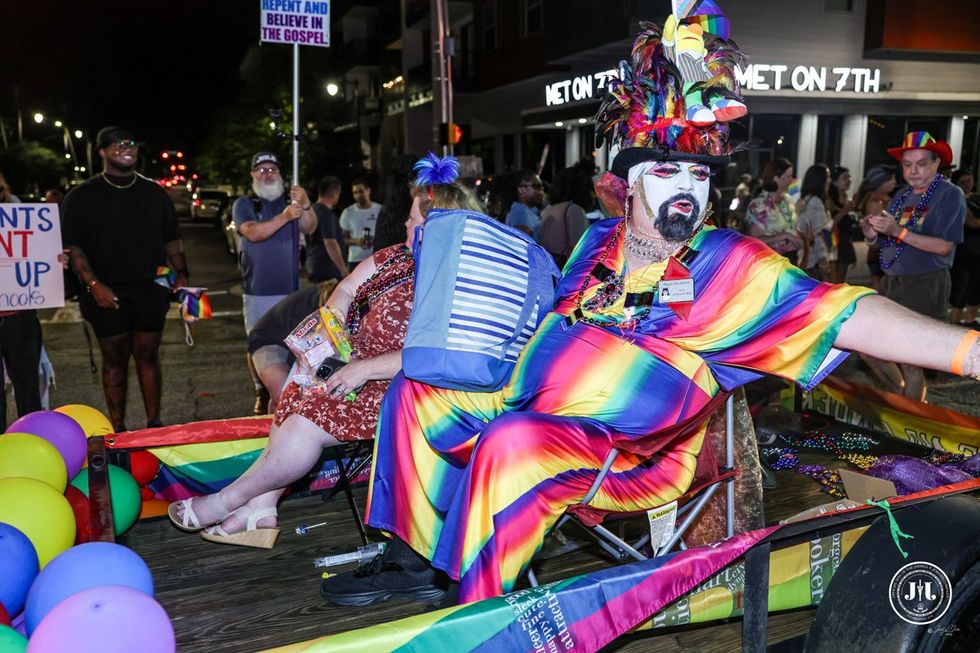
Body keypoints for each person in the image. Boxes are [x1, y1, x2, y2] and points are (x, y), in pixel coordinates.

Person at [319, 9, 980, 609]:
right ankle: (414, 556)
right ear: (626, 185)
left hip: (632, 452)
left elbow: (849, 311)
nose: (687, 190)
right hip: (529, 402)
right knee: (415, 392)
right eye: (666, 173)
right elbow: (549, 319)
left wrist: (969, 351)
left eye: (697, 176)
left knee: (511, 445)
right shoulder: (596, 241)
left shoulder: (726, 263)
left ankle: (475, 613)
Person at [167, 154, 482, 547]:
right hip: (351, 364)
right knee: (302, 381)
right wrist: (332, 327)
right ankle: (260, 508)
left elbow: (438, 352)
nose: (404, 223)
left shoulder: (455, 279)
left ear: (440, 228)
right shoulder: (395, 256)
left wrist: (361, 367)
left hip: (400, 386)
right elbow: (346, 288)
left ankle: (231, 500)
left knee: (306, 415)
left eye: (414, 220)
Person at [61, 127, 186, 431]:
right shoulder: (81, 196)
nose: (126, 148)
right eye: (116, 145)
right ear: (102, 152)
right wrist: (93, 285)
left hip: (150, 290)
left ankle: (154, 424)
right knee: (115, 361)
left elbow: (172, 239)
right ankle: (118, 430)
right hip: (105, 291)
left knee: (149, 356)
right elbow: (73, 246)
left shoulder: (154, 192)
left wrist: (181, 274)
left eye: (130, 143)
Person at [861, 131, 967, 401]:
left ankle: (909, 413)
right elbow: (883, 242)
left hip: (925, 282)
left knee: (909, 357)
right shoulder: (902, 196)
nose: (913, 171)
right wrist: (872, 232)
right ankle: (904, 403)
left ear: (936, 164)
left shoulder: (949, 195)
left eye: (921, 164)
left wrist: (898, 231)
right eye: (907, 165)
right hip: (892, 282)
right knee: (866, 345)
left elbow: (945, 246)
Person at [232, 152, 318, 414]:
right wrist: (285, 216)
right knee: (258, 342)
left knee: (291, 344)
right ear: (252, 175)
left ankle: (286, 394)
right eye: (261, 169)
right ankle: (260, 388)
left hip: (290, 290)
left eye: (272, 169)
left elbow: (311, 227)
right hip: (258, 291)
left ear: (281, 174)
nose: (267, 174)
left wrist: (305, 204)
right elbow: (253, 233)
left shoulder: (290, 202)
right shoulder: (245, 203)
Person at [247, 281, 336, 415]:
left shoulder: (332, 298)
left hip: (294, 343)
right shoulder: (327, 304)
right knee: (284, 397)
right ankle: (274, 427)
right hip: (268, 340)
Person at [0, 174, 42, 428]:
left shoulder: (19, 213)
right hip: (18, 317)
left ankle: (32, 442)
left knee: (27, 389)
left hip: (19, 317)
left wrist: (55, 260)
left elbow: (39, 255)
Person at [745, 158, 803, 264]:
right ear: (776, 178)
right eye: (788, 176)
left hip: (791, 258)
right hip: (770, 261)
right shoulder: (760, 205)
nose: (792, 180)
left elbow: (791, 227)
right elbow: (755, 239)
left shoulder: (787, 200)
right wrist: (785, 236)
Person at [538, 165, 592, 267]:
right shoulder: (574, 210)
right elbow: (580, 250)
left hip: (550, 267)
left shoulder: (549, 210)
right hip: (566, 269)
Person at [853, 165, 896, 291]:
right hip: (880, 251)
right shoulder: (877, 201)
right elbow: (878, 225)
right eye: (892, 179)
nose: (895, 182)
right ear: (881, 182)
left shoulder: (872, 198)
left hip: (877, 251)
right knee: (882, 291)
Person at [950, 169, 980, 326]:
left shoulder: (976, 198)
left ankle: (971, 320)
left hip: (977, 249)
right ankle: (954, 322)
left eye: (970, 180)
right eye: (963, 182)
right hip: (964, 249)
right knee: (961, 284)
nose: (968, 184)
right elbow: (971, 223)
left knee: (976, 285)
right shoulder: (957, 199)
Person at [795, 164, 835, 280]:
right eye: (827, 177)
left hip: (806, 258)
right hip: (813, 261)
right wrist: (823, 260)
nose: (830, 180)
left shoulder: (806, 199)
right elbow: (818, 234)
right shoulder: (816, 202)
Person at [306, 176, 348, 283]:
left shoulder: (312, 211)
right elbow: (330, 243)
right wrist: (343, 270)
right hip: (328, 270)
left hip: (315, 267)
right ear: (335, 193)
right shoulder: (326, 214)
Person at [339, 179, 381, 267]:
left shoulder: (380, 210)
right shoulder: (348, 212)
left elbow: (388, 233)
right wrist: (357, 241)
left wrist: (376, 239)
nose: (358, 195)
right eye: (355, 192)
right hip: (355, 259)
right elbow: (342, 238)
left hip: (378, 258)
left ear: (368, 190)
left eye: (361, 191)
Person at [827, 166, 858, 283]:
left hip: (845, 241)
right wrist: (845, 211)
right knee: (833, 281)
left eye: (849, 177)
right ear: (834, 181)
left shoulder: (847, 199)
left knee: (841, 282)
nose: (849, 180)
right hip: (834, 242)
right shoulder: (829, 200)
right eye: (845, 178)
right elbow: (829, 223)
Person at [504, 170, 545, 238]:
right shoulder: (522, 215)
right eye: (537, 186)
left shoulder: (522, 212)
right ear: (521, 190)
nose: (542, 189)